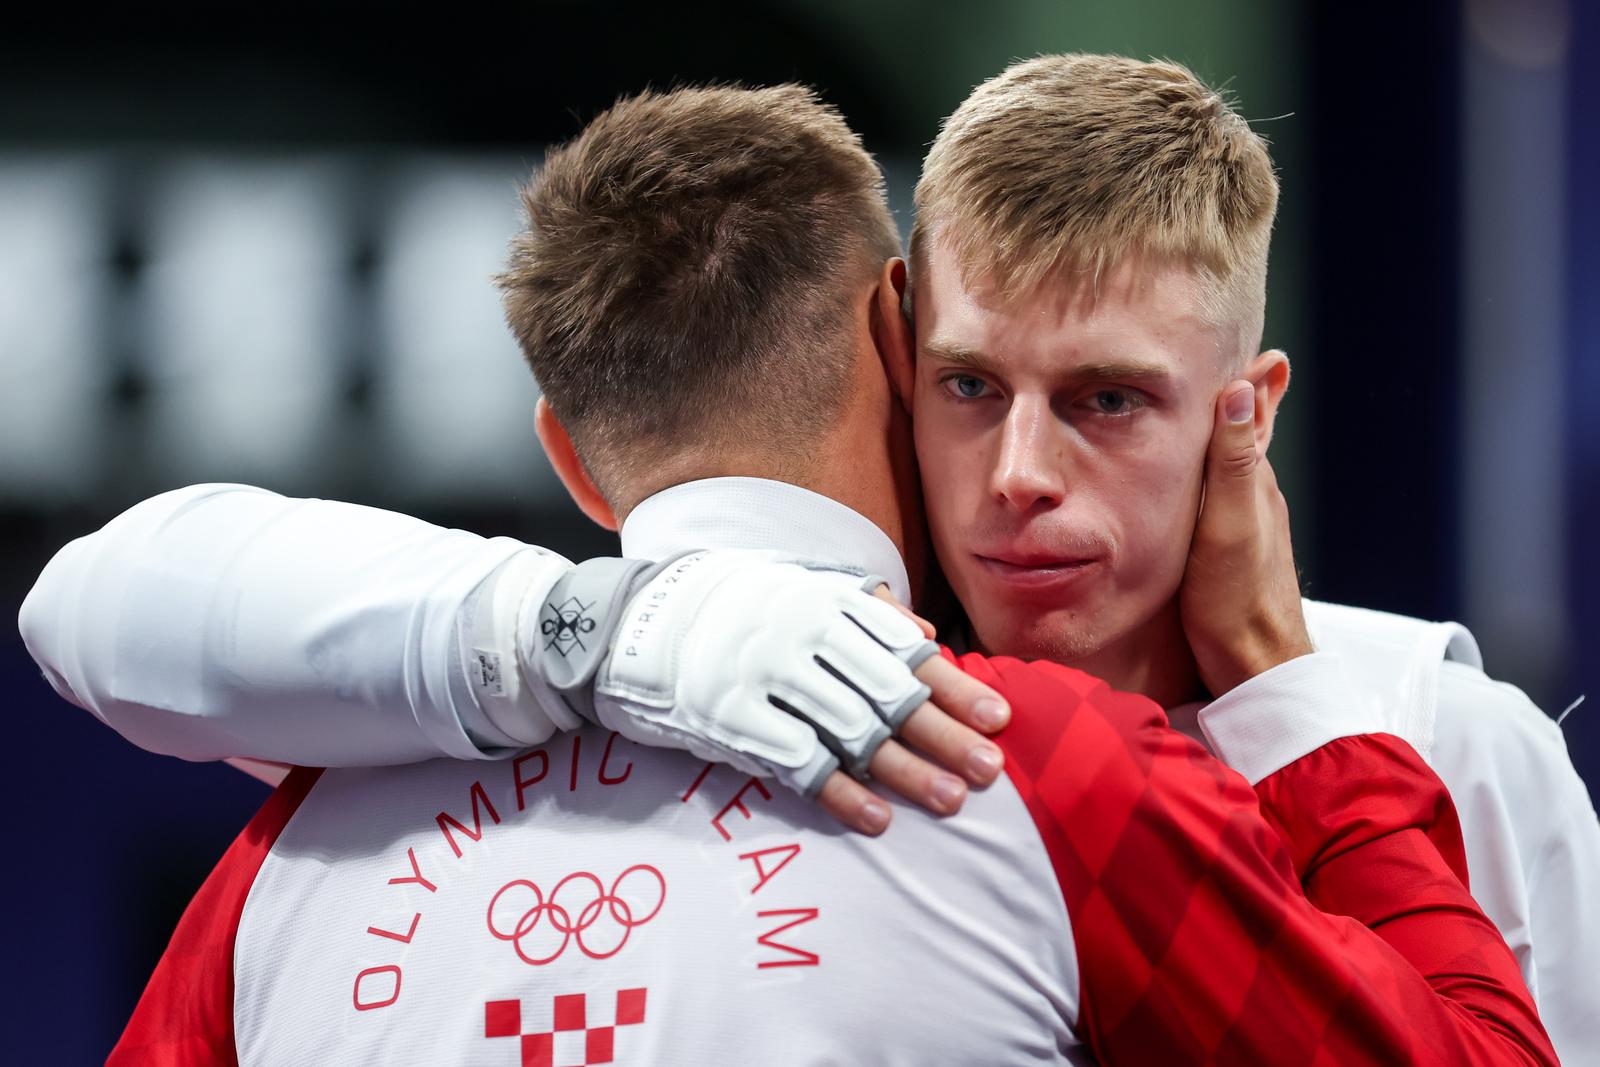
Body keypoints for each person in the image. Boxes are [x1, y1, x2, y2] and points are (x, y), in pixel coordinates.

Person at [21, 81, 1558, 1064]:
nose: (1024, 472)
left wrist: (591, 630)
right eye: (973, 386)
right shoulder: (1039, 766)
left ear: (566, 454)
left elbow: (84, 606)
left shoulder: (298, 850)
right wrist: (1298, 714)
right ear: (896, 345)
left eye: (1106, 397)